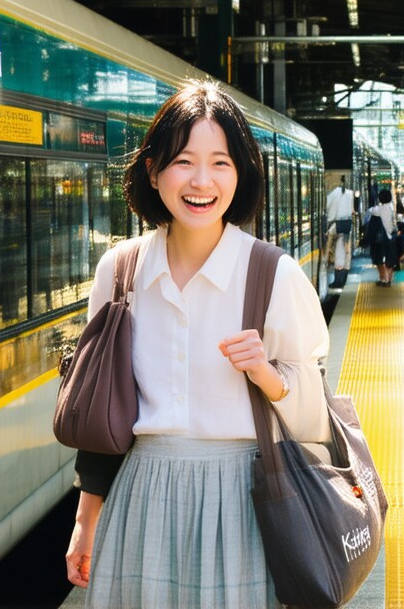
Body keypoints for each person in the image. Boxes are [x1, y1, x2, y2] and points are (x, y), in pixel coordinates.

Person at [65, 80, 330, 608]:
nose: (202, 181)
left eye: (221, 163)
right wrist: (85, 518)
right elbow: (102, 408)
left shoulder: (272, 274)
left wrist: (269, 376)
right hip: (142, 495)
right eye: (184, 161)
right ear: (153, 170)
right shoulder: (119, 272)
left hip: (243, 503)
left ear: (242, 174)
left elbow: (317, 422)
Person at [325, 175, 355, 288]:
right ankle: (343, 276)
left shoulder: (334, 193)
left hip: (336, 225)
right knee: (345, 251)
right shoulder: (350, 194)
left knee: (337, 251)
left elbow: (327, 208)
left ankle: (338, 280)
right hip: (347, 225)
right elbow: (352, 210)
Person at [367, 188, 397, 286]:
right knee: (391, 260)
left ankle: (384, 279)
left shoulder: (380, 209)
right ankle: (389, 280)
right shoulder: (392, 207)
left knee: (381, 259)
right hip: (393, 236)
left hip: (383, 238)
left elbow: (370, 210)